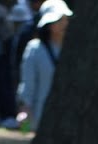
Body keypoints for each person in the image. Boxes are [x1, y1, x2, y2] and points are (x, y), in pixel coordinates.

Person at [16, 0, 67, 129]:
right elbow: (28, 83)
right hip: (42, 114)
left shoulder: (73, 49)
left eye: (65, 19)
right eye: (59, 20)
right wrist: (24, 109)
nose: (64, 24)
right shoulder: (35, 49)